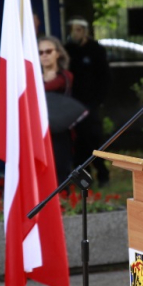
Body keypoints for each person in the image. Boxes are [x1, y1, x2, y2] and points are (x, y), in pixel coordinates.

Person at [64, 16, 111, 187]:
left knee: (94, 139)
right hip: (74, 103)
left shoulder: (96, 49)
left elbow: (104, 77)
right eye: (72, 30)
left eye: (78, 29)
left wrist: (99, 100)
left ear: (85, 31)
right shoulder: (68, 49)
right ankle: (84, 178)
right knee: (78, 141)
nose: (75, 33)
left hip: (92, 103)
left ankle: (102, 173)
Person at [39, 35, 77, 183]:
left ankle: (63, 203)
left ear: (58, 53)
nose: (44, 55)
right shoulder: (32, 78)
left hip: (60, 131)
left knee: (61, 171)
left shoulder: (65, 77)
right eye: (40, 52)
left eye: (48, 51)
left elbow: (52, 87)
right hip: (39, 131)